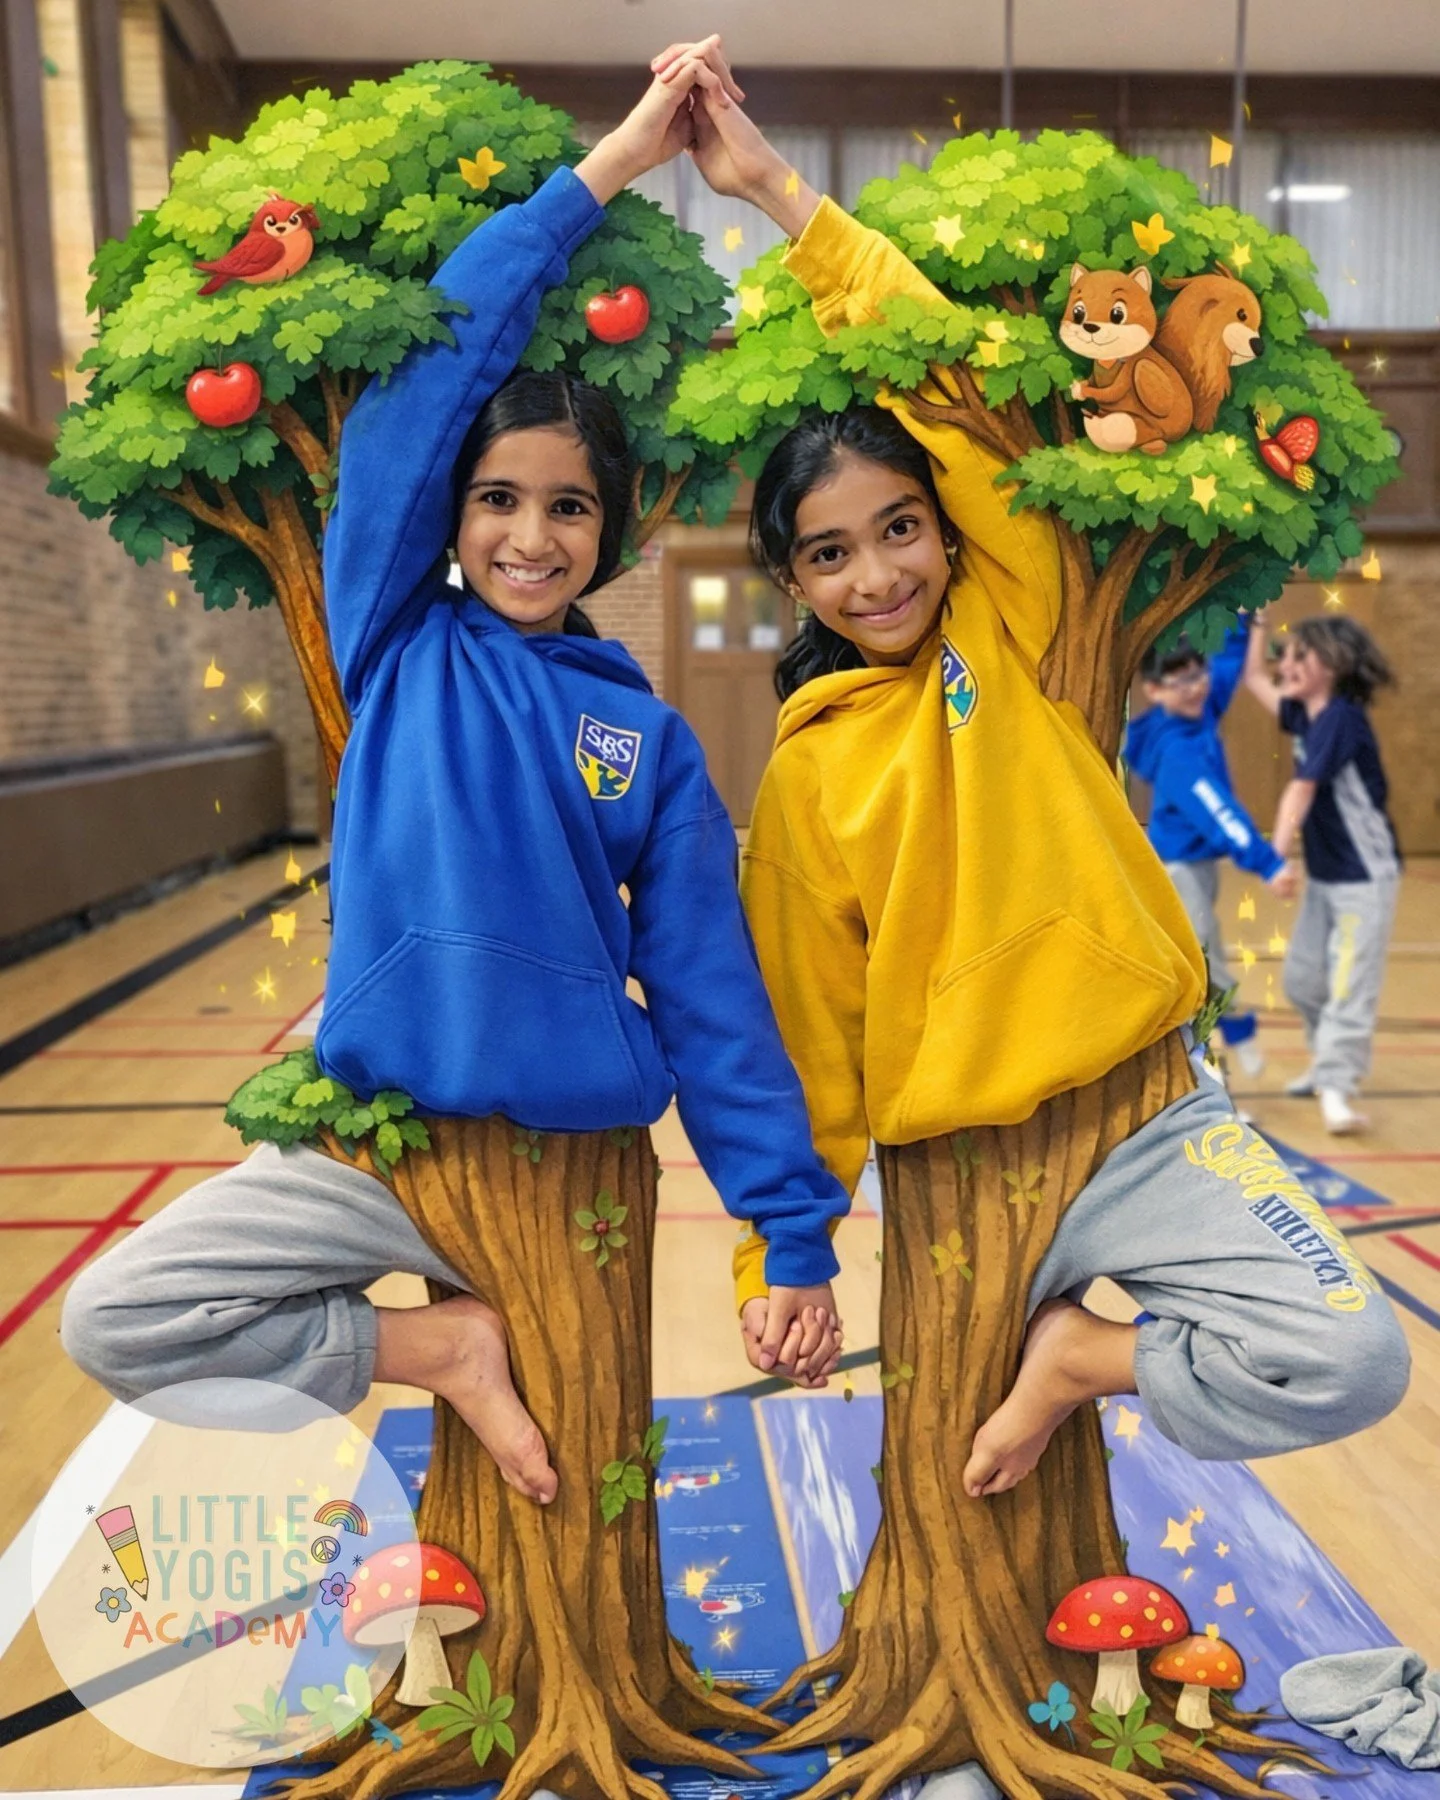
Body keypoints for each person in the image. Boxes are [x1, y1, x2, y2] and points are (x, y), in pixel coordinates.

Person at [61, 53, 847, 1500]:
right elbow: (427, 390)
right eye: (497, 501)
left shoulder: (650, 742)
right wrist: (607, 166)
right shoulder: (394, 643)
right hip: (382, 1152)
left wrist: (787, 1231)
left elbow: (712, 996)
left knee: (578, 1502)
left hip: (571, 1170)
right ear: (451, 514)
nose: (530, 537)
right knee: (116, 1314)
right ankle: (441, 1357)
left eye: (568, 508)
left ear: (608, 536)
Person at [658, 39, 1410, 1502]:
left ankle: (1082, 1362)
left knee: (1350, 1353)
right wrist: (785, 1248)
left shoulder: (1006, 619)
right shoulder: (810, 780)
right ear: (790, 582)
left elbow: (953, 378)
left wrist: (775, 197)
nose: (876, 572)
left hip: (1150, 1115)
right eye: (828, 553)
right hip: (958, 1175)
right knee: (944, 1494)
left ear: (944, 529)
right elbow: (802, 1030)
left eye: (897, 528)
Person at [1242, 611, 1400, 1134]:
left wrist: (1276, 855)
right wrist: (1259, 627)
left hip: (1363, 879)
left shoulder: (1340, 718)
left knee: (1349, 984)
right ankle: (1324, 1064)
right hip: (1329, 876)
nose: (1285, 664)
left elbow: (1302, 789)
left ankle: (1336, 1087)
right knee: (1304, 980)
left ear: (1330, 664)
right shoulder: (1307, 714)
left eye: (1297, 655)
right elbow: (1254, 680)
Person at [1126, 627, 1298, 1080]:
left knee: (1205, 960)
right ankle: (1205, 1064)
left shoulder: (1197, 711)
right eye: (1181, 682)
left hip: (1197, 867)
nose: (1197, 686)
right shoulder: (1178, 750)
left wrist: (1246, 619)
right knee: (1203, 966)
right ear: (1155, 691)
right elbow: (1221, 815)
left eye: (1197, 676)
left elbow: (1226, 667)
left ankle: (1221, 1050)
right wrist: (1268, 863)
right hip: (1179, 870)